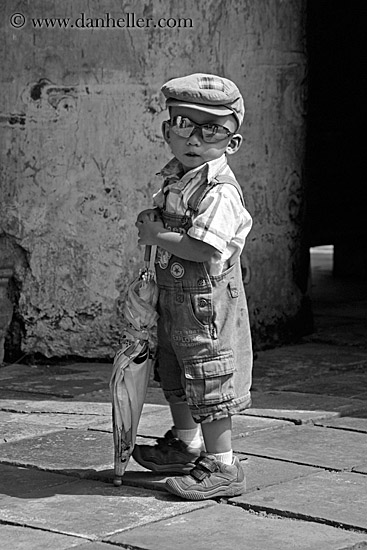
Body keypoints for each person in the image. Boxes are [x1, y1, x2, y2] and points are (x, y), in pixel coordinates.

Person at [133, 73, 253, 500]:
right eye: (184, 124)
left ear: (231, 142)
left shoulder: (220, 192)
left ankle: (223, 464)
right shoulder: (178, 177)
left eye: (212, 130)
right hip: (175, 300)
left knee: (208, 375)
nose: (195, 138)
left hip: (207, 307)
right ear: (168, 132)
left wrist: (155, 235)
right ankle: (187, 444)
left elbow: (203, 249)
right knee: (176, 373)